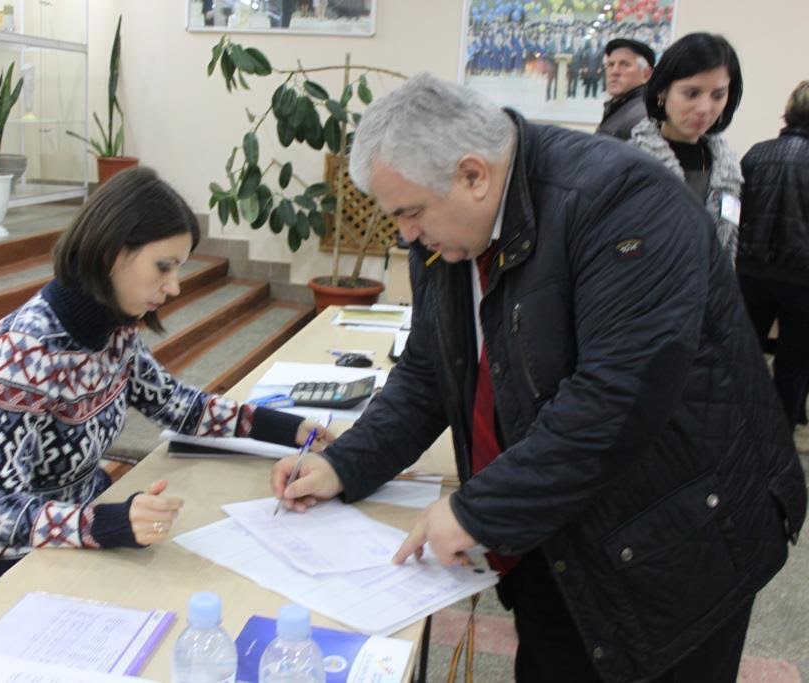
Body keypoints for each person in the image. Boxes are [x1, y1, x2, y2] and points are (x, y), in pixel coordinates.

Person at [270, 74, 806, 682]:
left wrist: (480, 510)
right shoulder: (448, 236)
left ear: (473, 175)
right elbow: (429, 369)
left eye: (411, 213)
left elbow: (618, 396)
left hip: (680, 536)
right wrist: (347, 464)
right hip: (554, 518)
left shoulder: (623, 201)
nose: (406, 235)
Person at [0, 168, 333, 600]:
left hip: (79, 538)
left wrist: (290, 428)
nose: (173, 287)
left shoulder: (113, 328)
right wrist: (107, 523)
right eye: (163, 267)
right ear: (111, 252)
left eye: (178, 269)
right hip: (11, 567)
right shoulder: (20, 354)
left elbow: (177, 405)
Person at [629, 33, 743, 264]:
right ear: (662, 91)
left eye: (718, 95)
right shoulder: (630, 162)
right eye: (692, 93)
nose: (704, 108)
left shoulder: (728, 171)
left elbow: (727, 249)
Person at [737, 80, 809, 429]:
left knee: (743, 360)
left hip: (751, 274)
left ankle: (737, 429)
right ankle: (779, 437)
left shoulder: (756, 154)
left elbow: (734, 212)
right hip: (803, 283)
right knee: (793, 367)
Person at [595, 38, 655, 140]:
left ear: (646, 74)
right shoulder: (621, 106)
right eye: (610, 64)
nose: (614, 72)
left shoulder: (642, 116)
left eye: (624, 64)